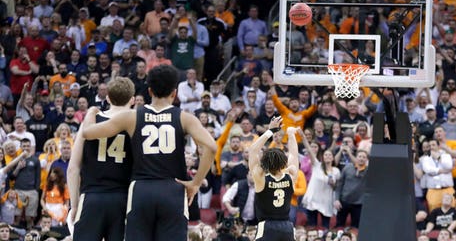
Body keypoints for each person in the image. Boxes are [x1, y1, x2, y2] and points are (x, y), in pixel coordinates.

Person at [81, 64, 217, 241]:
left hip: (141, 189)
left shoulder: (132, 116)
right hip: (173, 189)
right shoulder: (185, 118)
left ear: (150, 91)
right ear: (174, 93)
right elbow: (212, 147)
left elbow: (88, 133)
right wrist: (196, 182)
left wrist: (91, 112)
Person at [67, 77, 135, 240]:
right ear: (132, 100)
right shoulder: (136, 123)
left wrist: (75, 205)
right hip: (123, 199)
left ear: (108, 98)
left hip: (91, 197)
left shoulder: (91, 121)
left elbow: (73, 168)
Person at [248, 116, 299, 241]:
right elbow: (294, 154)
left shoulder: (261, 178)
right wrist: (291, 134)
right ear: (283, 162)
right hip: (287, 228)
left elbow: (253, 151)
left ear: (264, 162)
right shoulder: (290, 176)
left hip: (267, 226)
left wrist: (270, 131)